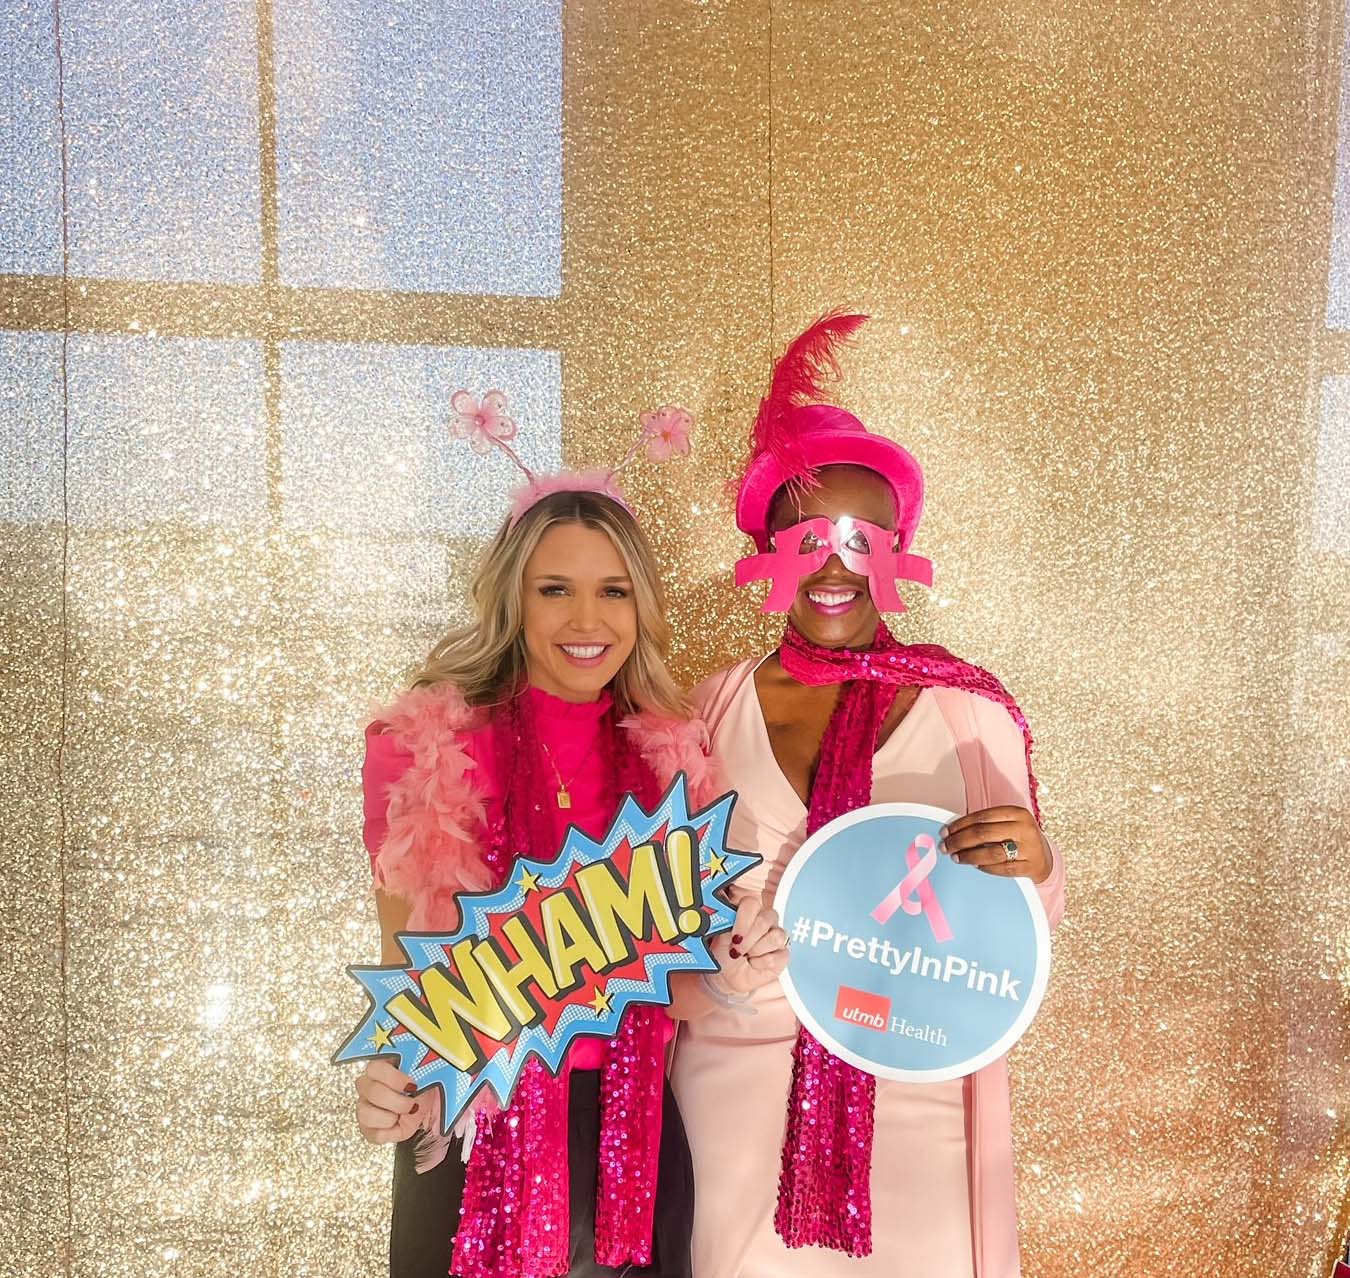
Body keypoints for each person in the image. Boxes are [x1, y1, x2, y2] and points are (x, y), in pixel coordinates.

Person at [352, 395, 787, 1278]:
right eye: (555, 589)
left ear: (640, 605)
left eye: (612, 591)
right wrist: (394, 1088)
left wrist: (733, 965)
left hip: (638, 1137)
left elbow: (677, 986)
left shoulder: (673, 752)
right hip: (479, 1126)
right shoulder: (426, 746)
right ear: (513, 596)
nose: (586, 621)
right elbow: (418, 967)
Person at [669, 313, 1067, 1278]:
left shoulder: (969, 712)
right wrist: (713, 963)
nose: (837, 564)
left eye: (863, 538)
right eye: (809, 536)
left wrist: (1038, 865)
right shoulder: (702, 712)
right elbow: (656, 917)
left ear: (900, 550)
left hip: (914, 1069)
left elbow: (1024, 927)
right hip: (745, 1069)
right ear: (766, 550)